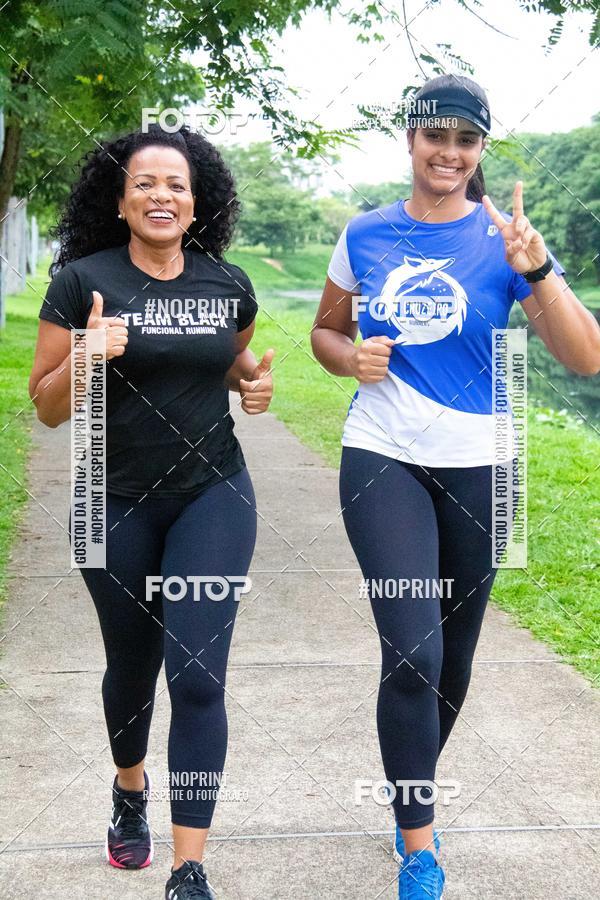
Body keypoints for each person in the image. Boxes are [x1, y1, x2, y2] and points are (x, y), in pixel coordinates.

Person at [311, 74, 600, 899]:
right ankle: (420, 847)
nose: (449, 153)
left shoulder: (507, 242)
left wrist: (537, 269)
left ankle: (408, 793)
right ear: (410, 140)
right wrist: (348, 358)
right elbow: (327, 331)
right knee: (414, 654)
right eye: (435, 136)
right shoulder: (365, 234)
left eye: (467, 140)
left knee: (455, 660)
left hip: (485, 464)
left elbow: (586, 358)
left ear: (480, 151)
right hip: (383, 455)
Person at [29, 123, 274, 900]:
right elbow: (44, 407)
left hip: (212, 492)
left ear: (198, 200)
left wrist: (250, 385)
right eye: (145, 183)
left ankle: (189, 865)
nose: (161, 195)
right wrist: (86, 353)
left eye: (176, 184)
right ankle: (129, 789)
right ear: (121, 198)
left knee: (197, 676)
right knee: (132, 668)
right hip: (113, 499)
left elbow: (229, 359)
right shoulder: (80, 281)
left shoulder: (227, 283)